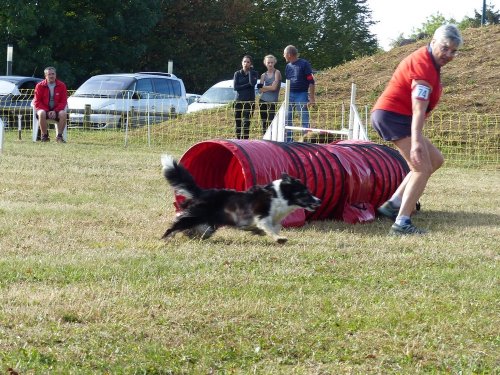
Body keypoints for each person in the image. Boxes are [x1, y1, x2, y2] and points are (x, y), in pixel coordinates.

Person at [371, 24, 463, 235]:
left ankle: (393, 204)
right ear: (433, 42)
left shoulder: (431, 62)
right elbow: (418, 108)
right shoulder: (423, 66)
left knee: (436, 160)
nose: (448, 54)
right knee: (421, 168)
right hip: (394, 116)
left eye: (453, 51)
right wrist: (416, 142)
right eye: (445, 48)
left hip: (399, 117)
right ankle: (401, 222)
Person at [283, 45, 315, 142]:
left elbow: (311, 81)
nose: (283, 56)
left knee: (304, 116)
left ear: (289, 55)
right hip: (289, 94)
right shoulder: (288, 66)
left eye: (284, 54)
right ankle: (288, 141)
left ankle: (306, 140)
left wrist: (312, 98)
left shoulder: (304, 64)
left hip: (301, 94)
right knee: (288, 117)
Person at [34, 66, 68, 143]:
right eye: (49, 74)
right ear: (45, 76)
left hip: (57, 111)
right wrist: (47, 111)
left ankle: (59, 137)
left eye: (53, 74)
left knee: (63, 113)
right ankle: (44, 137)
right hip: (44, 110)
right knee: (41, 113)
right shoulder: (39, 86)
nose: (51, 76)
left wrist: (55, 110)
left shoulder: (62, 85)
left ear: (55, 75)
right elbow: (37, 102)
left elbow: (63, 101)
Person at [233, 55, 258, 139]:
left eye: (248, 62)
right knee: (238, 122)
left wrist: (250, 71)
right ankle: (238, 139)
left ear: (251, 64)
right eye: (244, 62)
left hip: (249, 101)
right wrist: (247, 85)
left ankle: (245, 141)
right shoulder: (237, 73)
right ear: (242, 63)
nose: (246, 64)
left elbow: (252, 83)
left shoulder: (254, 73)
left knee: (246, 122)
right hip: (239, 100)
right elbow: (236, 87)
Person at [258, 54, 282, 135]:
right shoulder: (263, 75)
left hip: (272, 101)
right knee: (264, 122)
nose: (270, 64)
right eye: (268, 62)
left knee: (272, 121)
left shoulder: (277, 72)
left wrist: (264, 87)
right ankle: (265, 138)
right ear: (265, 63)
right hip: (262, 100)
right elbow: (260, 89)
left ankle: (272, 138)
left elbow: (274, 88)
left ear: (274, 62)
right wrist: (269, 87)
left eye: (272, 62)